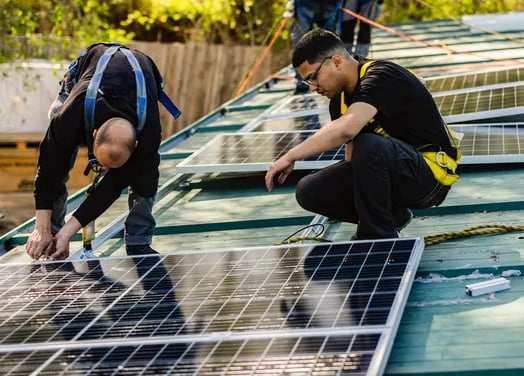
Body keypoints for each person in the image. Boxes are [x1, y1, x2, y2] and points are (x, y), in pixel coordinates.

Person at [265, 29, 460, 240]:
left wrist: (290, 155)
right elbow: (353, 162)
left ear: (336, 61)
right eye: (307, 82)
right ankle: (391, 218)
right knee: (309, 190)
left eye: (313, 77)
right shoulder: (338, 103)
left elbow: (347, 129)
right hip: (395, 175)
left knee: (369, 144)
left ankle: (377, 239)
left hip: (429, 177)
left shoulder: (382, 75)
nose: (313, 88)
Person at [25, 42, 167, 260]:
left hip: (140, 80)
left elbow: (110, 188)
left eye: (111, 168)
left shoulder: (148, 135)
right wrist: (41, 226)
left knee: (146, 175)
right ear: (93, 135)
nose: (103, 171)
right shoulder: (71, 115)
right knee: (57, 153)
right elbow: (47, 168)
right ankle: (50, 233)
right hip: (85, 78)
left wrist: (68, 233)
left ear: (135, 145)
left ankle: (139, 239)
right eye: (101, 163)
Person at [286, 0, 344, 93]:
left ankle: (303, 83)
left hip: (311, 6)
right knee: (329, 42)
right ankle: (332, 78)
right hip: (324, 6)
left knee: (302, 41)